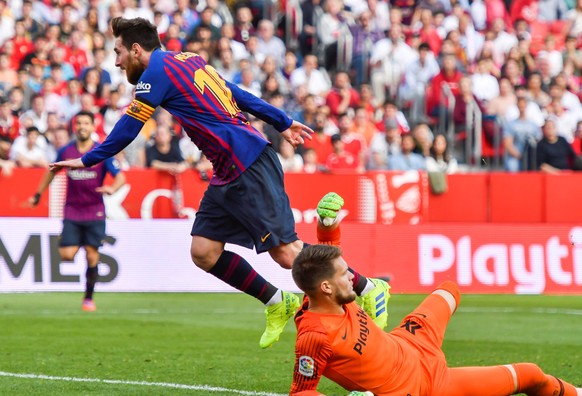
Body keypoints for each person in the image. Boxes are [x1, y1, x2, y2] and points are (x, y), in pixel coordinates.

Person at [49, 17, 389, 348]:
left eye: (119, 52)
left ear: (137, 50)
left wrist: (87, 158)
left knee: (287, 254)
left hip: (247, 161)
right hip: (228, 169)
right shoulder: (188, 59)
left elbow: (129, 126)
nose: (117, 61)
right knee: (204, 251)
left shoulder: (153, 74)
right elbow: (234, 92)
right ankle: (276, 301)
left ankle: (368, 286)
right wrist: (281, 120)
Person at [290, 244, 582, 395]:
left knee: (449, 289)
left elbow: (323, 264)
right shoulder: (315, 336)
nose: (353, 276)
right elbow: (301, 392)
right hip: (423, 386)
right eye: (344, 274)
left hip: (411, 341)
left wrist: (327, 226)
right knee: (529, 373)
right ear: (326, 287)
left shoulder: (323, 294)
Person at [28, 111, 126, 312]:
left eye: (86, 123)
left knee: (92, 255)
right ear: (74, 126)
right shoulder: (65, 152)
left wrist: (112, 188)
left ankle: (88, 299)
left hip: (95, 210)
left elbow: (120, 177)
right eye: (79, 123)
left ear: (92, 127)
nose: (82, 126)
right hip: (72, 210)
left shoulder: (102, 151)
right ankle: (74, 239)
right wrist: (38, 194)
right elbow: (51, 172)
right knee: (67, 255)